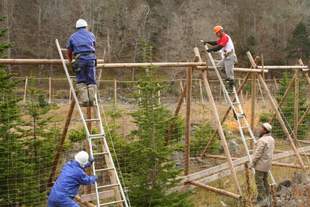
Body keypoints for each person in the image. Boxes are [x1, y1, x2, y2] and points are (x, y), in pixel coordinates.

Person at [67, 19, 97, 106]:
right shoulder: (91, 35)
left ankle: (85, 101)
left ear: (76, 27)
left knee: (81, 80)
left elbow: (69, 51)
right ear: (86, 26)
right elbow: (94, 46)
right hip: (91, 59)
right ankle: (92, 100)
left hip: (80, 60)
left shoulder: (73, 37)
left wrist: (70, 61)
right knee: (91, 80)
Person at [202, 25, 237, 92]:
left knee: (229, 74)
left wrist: (211, 50)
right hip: (226, 57)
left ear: (220, 32)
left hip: (230, 56)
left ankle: (231, 87)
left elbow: (220, 46)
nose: (217, 34)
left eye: (217, 33)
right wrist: (207, 42)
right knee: (219, 66)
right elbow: (215, 43)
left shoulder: (225, 37)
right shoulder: (222, 38)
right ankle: (228, 77)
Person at [251, 123, 275, 207]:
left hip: (260, 166)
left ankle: (264, 201)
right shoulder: (271, 139)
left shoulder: (262, 140)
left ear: (265, 130)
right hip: (267, 165)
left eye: (261, 128)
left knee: (259, 183)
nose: (260, 129)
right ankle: (268, 198)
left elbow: (258, 154)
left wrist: (252, 163)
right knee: (265, 181)